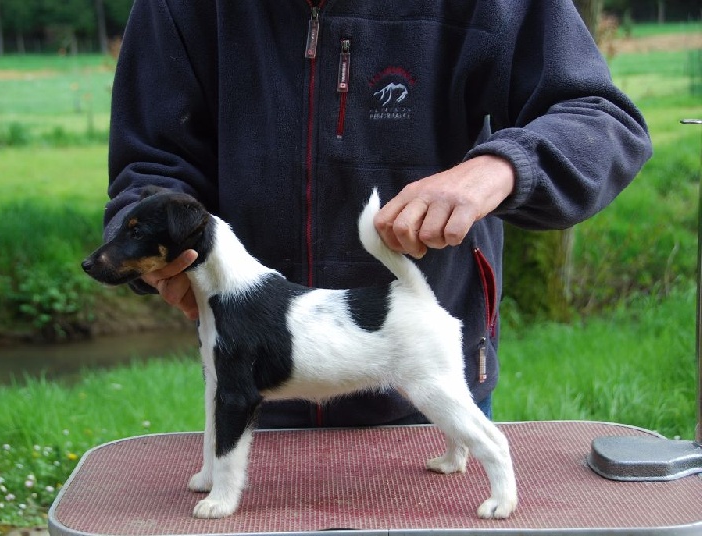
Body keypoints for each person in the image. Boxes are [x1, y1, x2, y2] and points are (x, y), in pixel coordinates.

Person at [102, 1, 652, 427]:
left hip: (425, 392)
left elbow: (600, 120)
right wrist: (156, 253)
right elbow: (151, 163)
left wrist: (500, 167)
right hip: (252, 394)